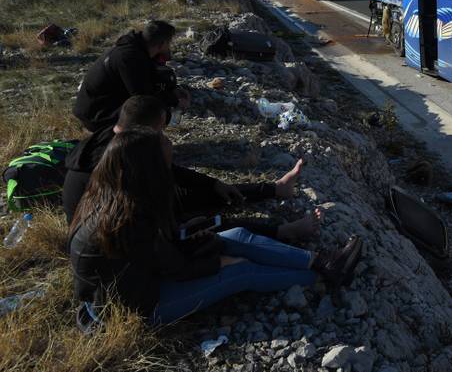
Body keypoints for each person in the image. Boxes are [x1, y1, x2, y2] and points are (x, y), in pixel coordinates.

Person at [68, 129, 362, 327]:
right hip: (136, 308)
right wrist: (217, 262)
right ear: (148, 169)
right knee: (241, 269)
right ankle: (319, 278)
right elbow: (176, 268)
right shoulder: (128, 217)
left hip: (138, 282)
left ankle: (322, 261)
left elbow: (153, 254)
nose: (171, 168)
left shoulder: (110, 195)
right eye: (167, 161)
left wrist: (192, 237)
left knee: (233, 236)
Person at [64, 95, 318, 243]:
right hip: (113, 233)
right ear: (146, 129)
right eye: (160, 129)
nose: (163, 134)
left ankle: (276, 189)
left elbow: (172, 173)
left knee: (209, 193)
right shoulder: (118, 155)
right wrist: (182, 225)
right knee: (208, 225)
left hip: (122, 215)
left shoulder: (118, 136)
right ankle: (284, 232)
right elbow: (145, 213)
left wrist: (214, 184)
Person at [73, 20, 191, 133]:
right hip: (96, 115)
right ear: (162, 44)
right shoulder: (129, 57)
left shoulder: (138, 48)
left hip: (105, 104)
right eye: (169, 43)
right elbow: (143, 96)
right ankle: (131, 140)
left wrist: (174, 91)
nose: (169, 47)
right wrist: (175, 102)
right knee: (152, 110)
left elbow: (153, 79)